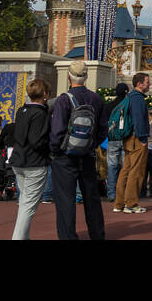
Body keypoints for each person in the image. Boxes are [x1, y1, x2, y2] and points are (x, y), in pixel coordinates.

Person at [49, 61, 109, 239]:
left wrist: (55, 149)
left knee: (65, 200)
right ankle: (97, 234)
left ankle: (68, 236)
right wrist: (91, 145)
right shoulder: (96, 99)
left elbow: (57, 130)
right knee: (91, 198)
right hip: (88, 155)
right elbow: (102, 129)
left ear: (69, 76)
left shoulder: (63, 99)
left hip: (65, 157)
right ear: (86, 77)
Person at [10, 78, 51, 239]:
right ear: (45, 94)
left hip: (18, 160)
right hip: (34, 162)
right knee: (28, 205)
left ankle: (23, 236)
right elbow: (36, 140)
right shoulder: (40, 113)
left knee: (24, 202)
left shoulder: (22, 110)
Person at [112, 72, 151, 214]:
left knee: (126, 170)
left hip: (128, 138)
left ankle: (119, 203)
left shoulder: (130, 97)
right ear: (139, 84)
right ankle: (131, 203)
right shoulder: (138, 99)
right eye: (147, 82)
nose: (149, 84)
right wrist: (142, 138)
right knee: (136, 171)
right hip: (137, 138)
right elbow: (138, 119)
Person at [104, 82, 129, 202]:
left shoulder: (109, 106)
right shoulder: (127, 104)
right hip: (125, 138)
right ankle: (123, 193)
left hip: (112, 138)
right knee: (125, 167)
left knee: (111, 166)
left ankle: (111, 193)